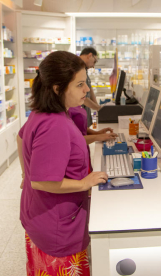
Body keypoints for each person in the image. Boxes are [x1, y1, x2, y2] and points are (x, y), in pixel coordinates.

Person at [17, 51, 108, 275]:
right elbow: (41, 182)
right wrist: (84, 183)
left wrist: (24, 174)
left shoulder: (45, 112)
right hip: (57, 228)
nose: (86, 90)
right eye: (79, 85)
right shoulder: (55, 125)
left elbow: (20, 137)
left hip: (40, 216)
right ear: (57, 89)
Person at [79, 47, 101, 127]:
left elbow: (89, 88)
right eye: (94, 61)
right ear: (90, 55)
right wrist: (98, 108)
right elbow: (81, 97)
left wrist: (97, 106)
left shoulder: (83, 68)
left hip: (85, 112)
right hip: (78, 113)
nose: (93, 66)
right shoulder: (76, 68)